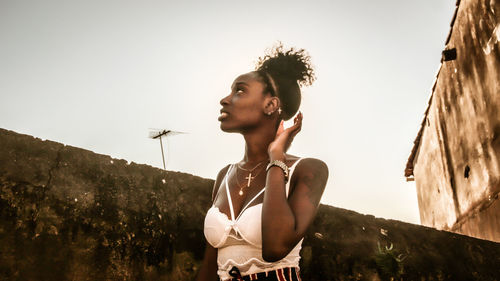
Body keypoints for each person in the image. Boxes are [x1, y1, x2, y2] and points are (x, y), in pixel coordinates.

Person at [196, 44, 329, 281]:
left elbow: (275, 247)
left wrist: (276, 156)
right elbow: (210, 267)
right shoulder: (225, 175)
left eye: (239, 91)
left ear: (271, 105)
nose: (225, 100)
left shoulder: (309, 170)